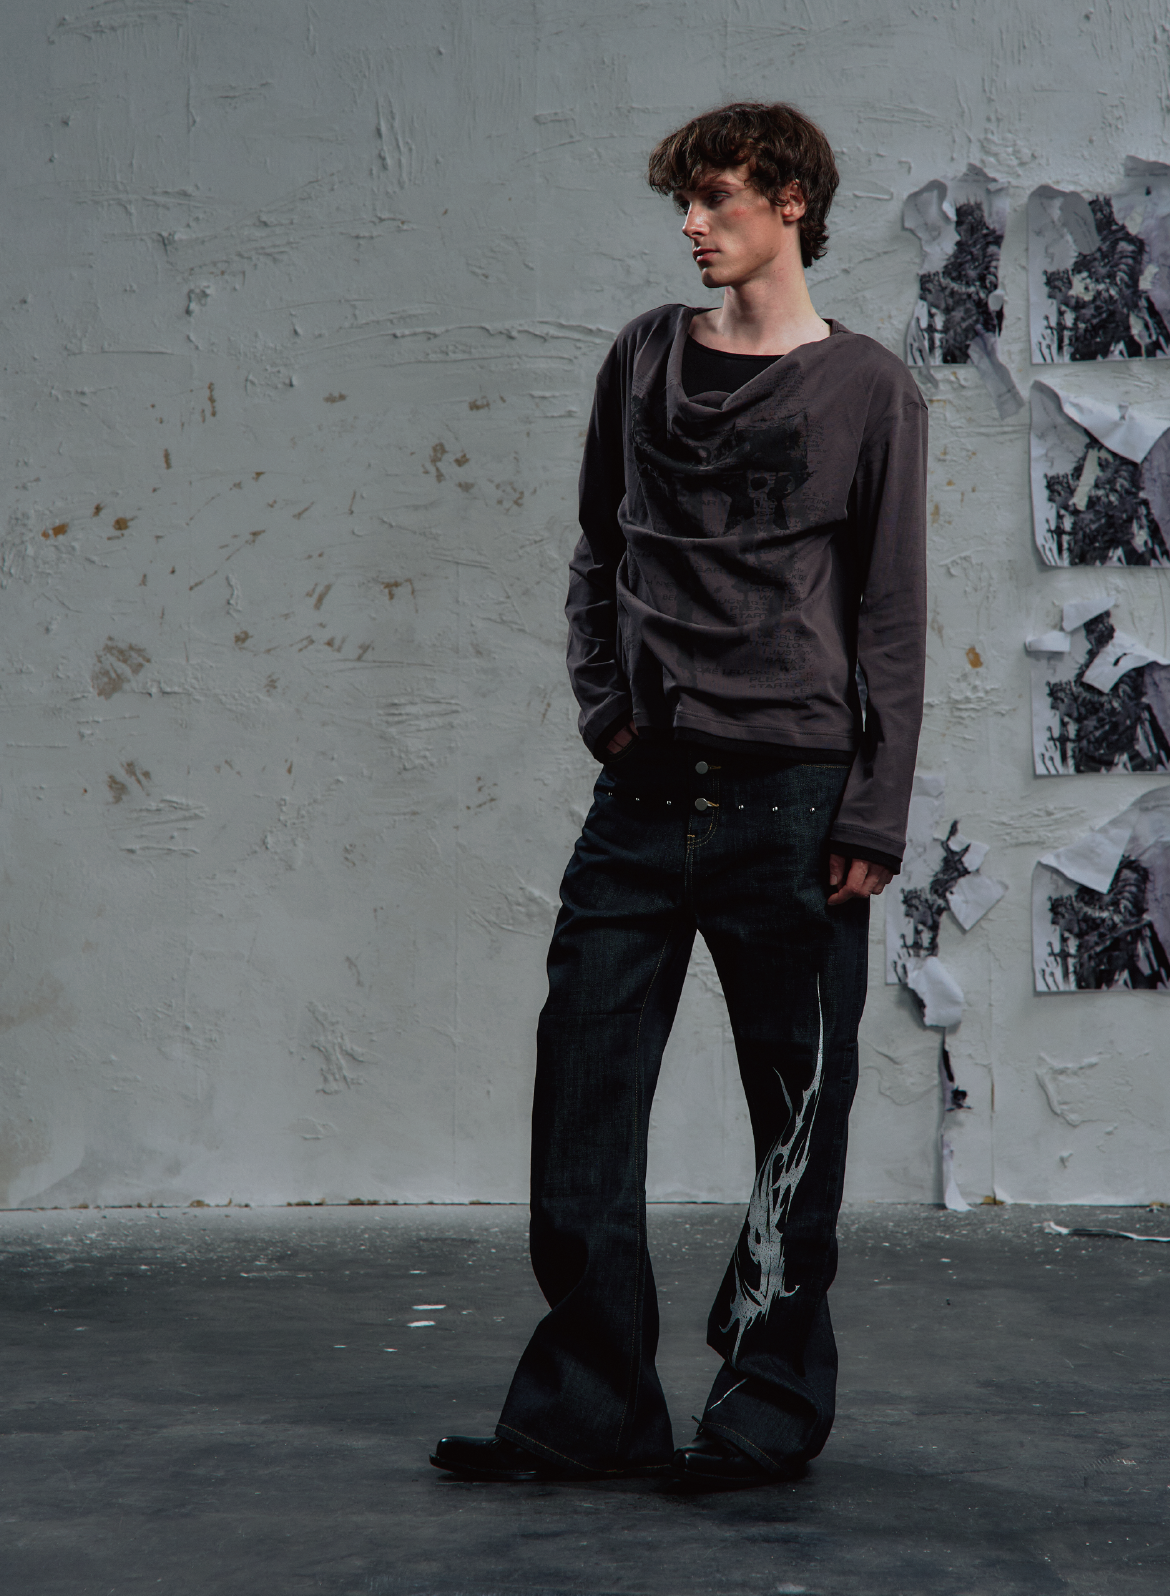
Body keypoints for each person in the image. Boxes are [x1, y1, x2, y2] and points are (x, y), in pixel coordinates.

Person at [431, 101, 928, 1490]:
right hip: (644, 797)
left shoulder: (868, 389)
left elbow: (890, 613)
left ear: (790, 201)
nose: (692, 225)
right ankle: (588, 1408)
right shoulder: (643, 355)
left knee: (796, 1124)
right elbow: (596, 548)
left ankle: (764, 1407)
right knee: (581, 1099)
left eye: (717, 199)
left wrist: (872, 811)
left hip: (794, 802)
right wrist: (605, 705)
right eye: (684, 205)